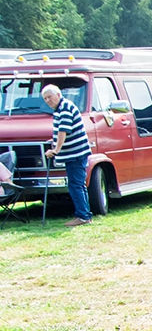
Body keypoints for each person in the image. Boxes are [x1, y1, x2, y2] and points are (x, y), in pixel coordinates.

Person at [41, 84, 92, 226]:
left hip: (76, 153)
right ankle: (85, 215)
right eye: (45, 99)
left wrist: (55, 150)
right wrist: (55, 141)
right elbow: (61, 133)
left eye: (49, 97)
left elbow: (63, 131)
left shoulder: (64, 108)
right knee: (78, 185)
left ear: (58, 94)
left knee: (75, 185)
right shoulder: (60, 108)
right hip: (75, 152)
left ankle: (83, 216)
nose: (48, 101)